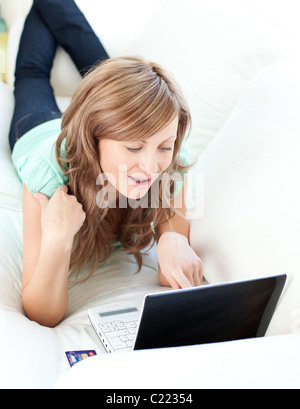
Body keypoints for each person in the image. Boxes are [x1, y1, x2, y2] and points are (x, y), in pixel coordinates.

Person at [9, 0, 202, 328]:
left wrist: (173, 238)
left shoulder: (169, 160)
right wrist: (57, 238)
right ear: (94, 138)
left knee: (114, 82)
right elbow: (42, 312)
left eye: (164, 146)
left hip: (104, 124)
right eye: (134, 148)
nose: (152, 166)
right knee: (31, 74)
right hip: (39, 129)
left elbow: (175, 266)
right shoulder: (47, 178)